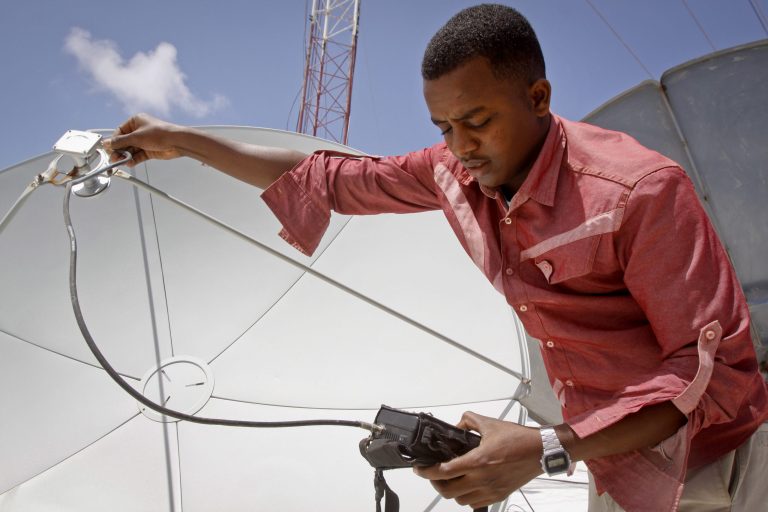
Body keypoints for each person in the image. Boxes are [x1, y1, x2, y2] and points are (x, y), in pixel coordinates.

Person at [105, 4, 767, 511]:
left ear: (537, 98)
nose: (461, 146)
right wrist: (186, 141)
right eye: (443, 128)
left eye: (477, 121)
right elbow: (328, 176)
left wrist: (542, 449)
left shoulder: (639, 191)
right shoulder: (452, 172)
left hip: (726, 459)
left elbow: (708, 376)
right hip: (615, 462)